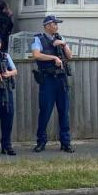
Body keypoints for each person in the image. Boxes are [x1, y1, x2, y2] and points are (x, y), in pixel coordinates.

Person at [31, 15, 74, 153]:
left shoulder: (60, 38)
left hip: (61, 80)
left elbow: (70, 56)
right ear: (47, 26)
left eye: (57, 24)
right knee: (45, 112)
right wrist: (53, 57)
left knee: (64, 112)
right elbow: (36, 55)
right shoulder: (39, 39)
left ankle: (66, 142)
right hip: (48, 80)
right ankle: (41, 141)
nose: (57, 26)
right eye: (55, 24)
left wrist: (63, 44)